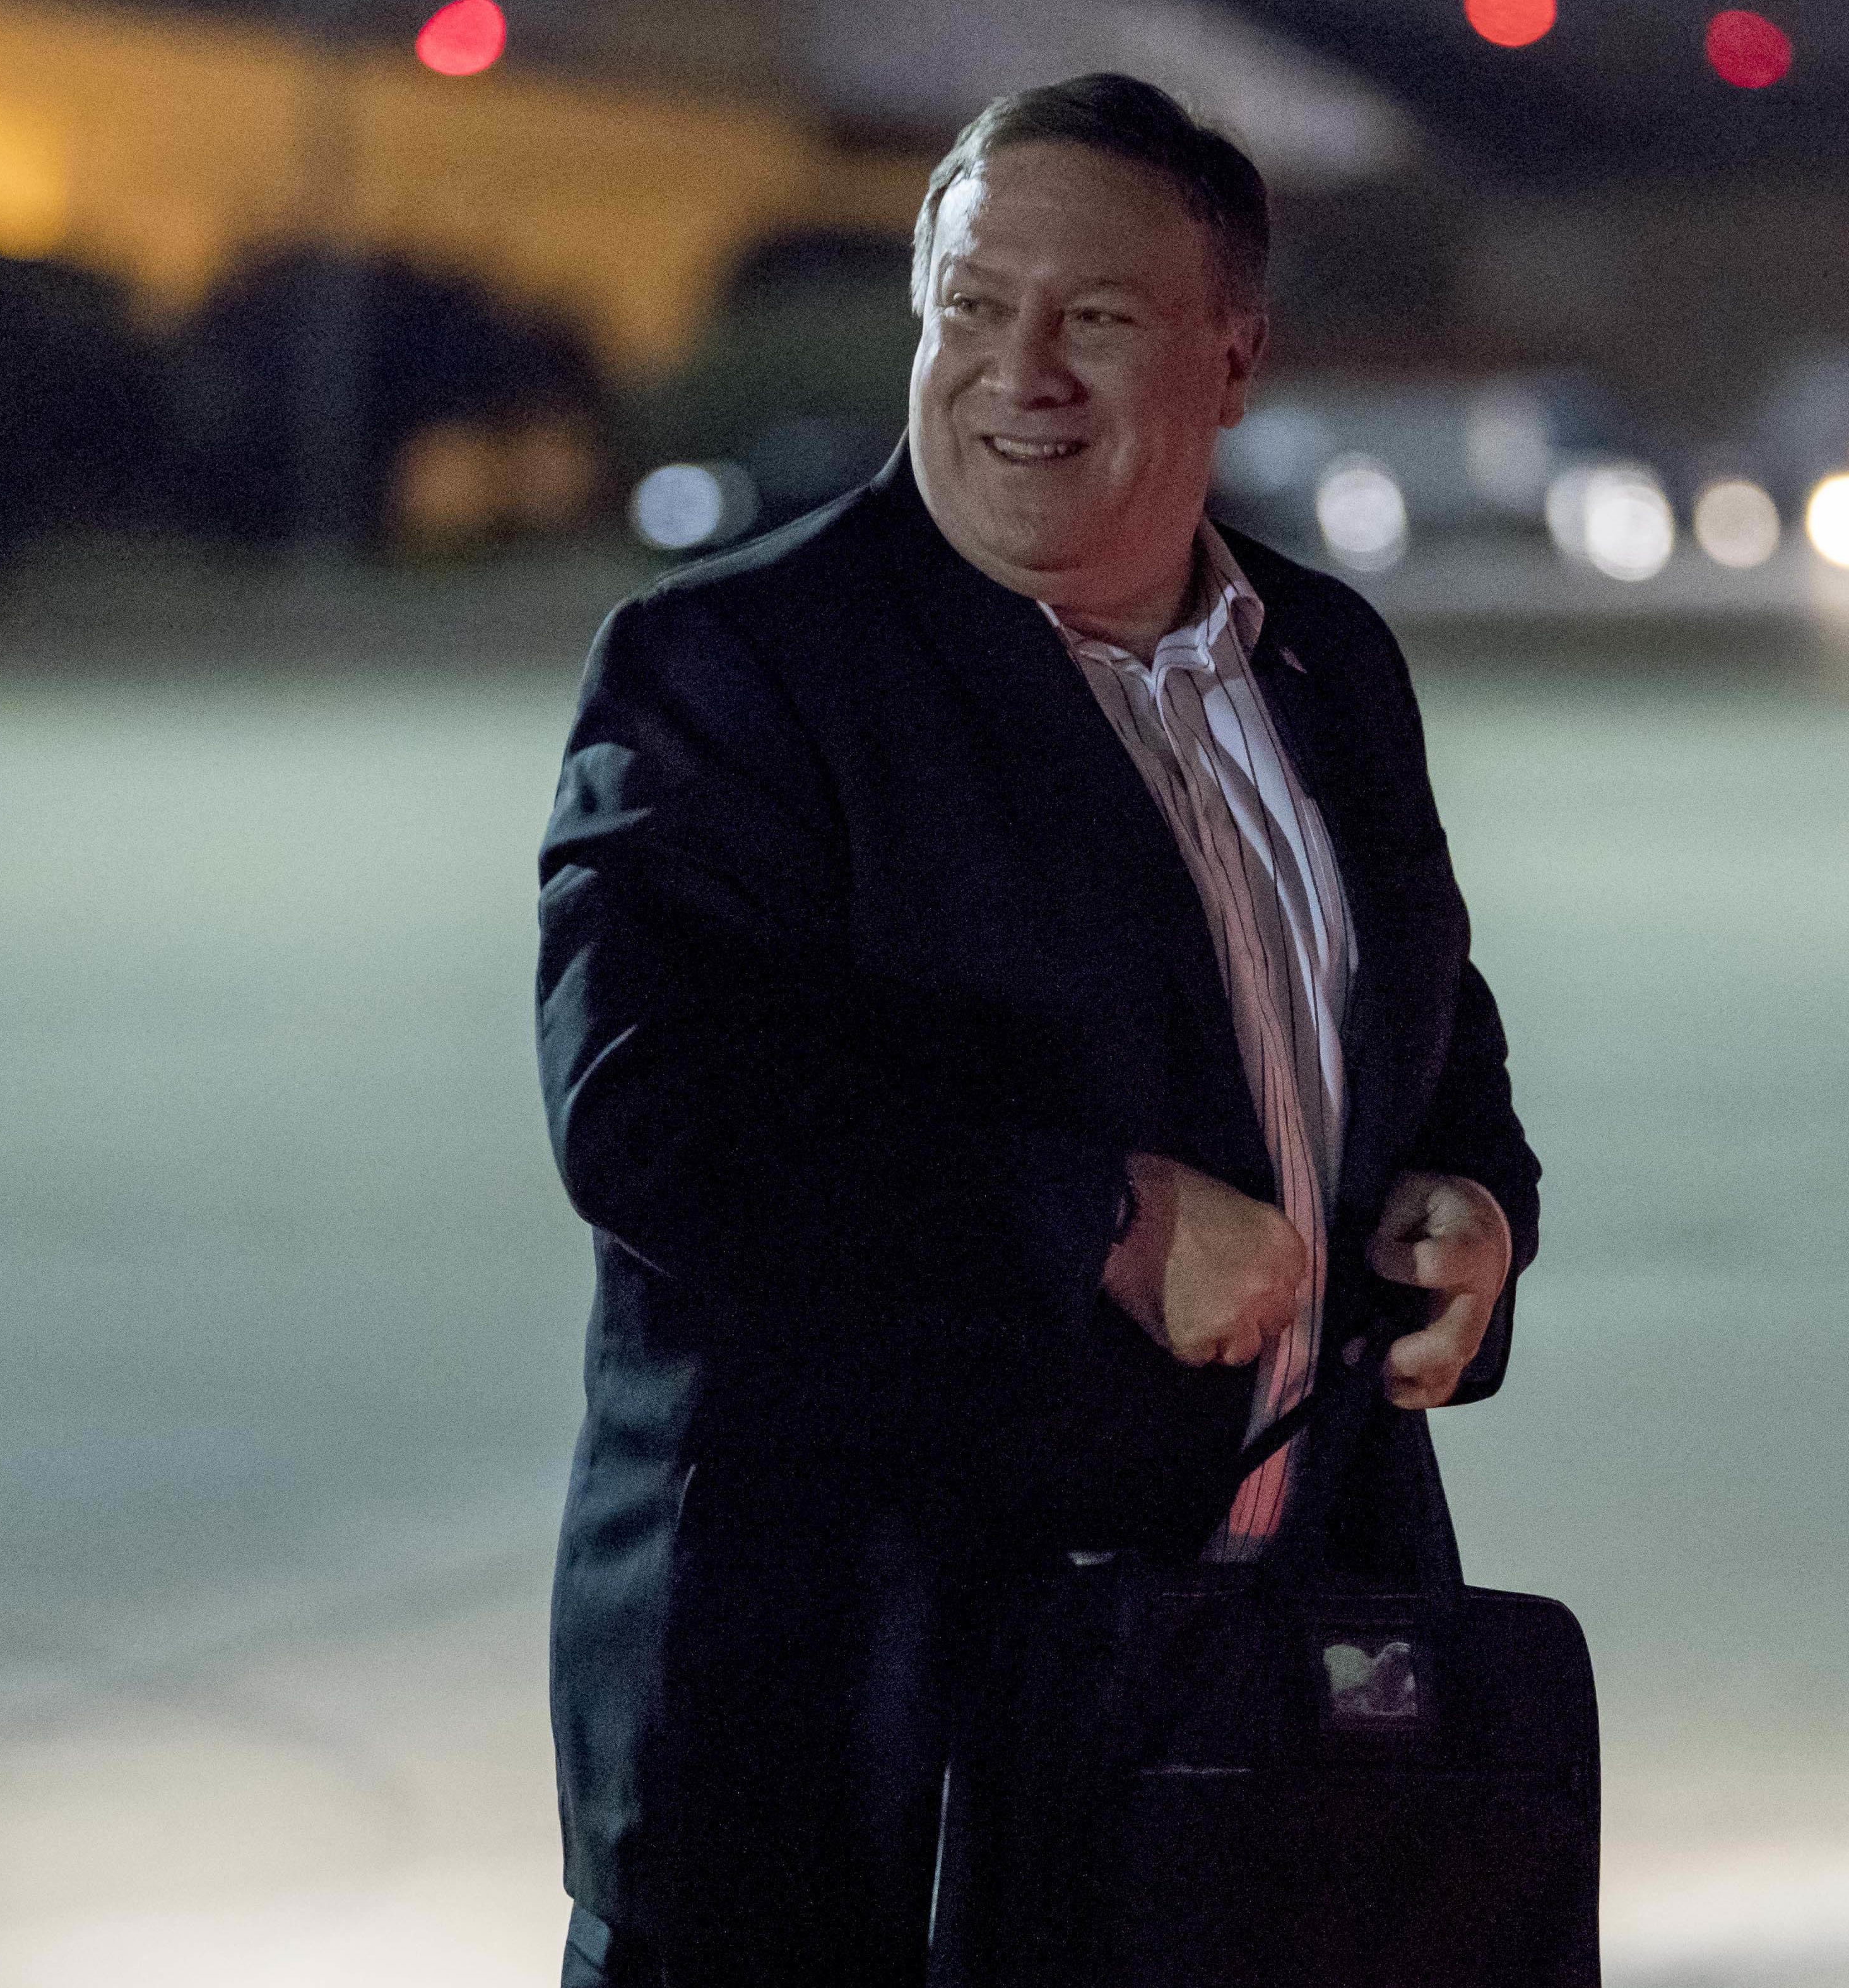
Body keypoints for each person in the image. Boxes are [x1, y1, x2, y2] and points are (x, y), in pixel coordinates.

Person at [538, 73, 1541, 1987]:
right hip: (857, 1764)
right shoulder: (745, 668)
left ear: (1232, 358)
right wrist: (1103, 1220)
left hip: (1258, 1728)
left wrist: (1471, 1210)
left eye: (1095, 317)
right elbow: (653, 1111)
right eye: (974, 306)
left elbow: (1428, 1021)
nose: (1023, 372)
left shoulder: (1327, 666)